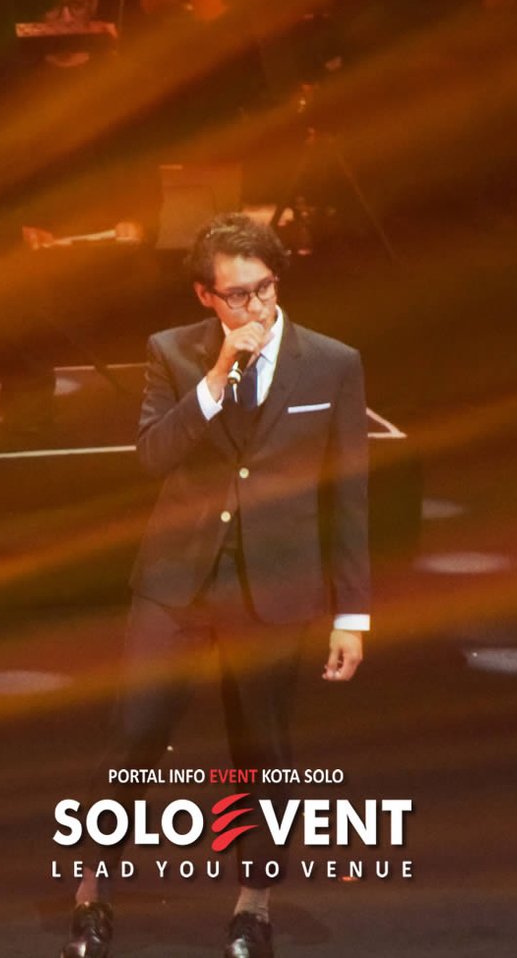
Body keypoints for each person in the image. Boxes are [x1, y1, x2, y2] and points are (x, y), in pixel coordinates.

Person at [61, 213, 370, 958]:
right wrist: (218, 374)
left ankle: (252, 906)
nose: (254, 306)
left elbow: (348, 493)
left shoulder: (332, 363)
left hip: (274, 589)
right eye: (236, 295)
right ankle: (92, 890)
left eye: (263, 289)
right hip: (177, 583)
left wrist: (352, 613)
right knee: (137, 734)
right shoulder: (173, 352)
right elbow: (152, 455)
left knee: (263, 750)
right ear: (206, 296)